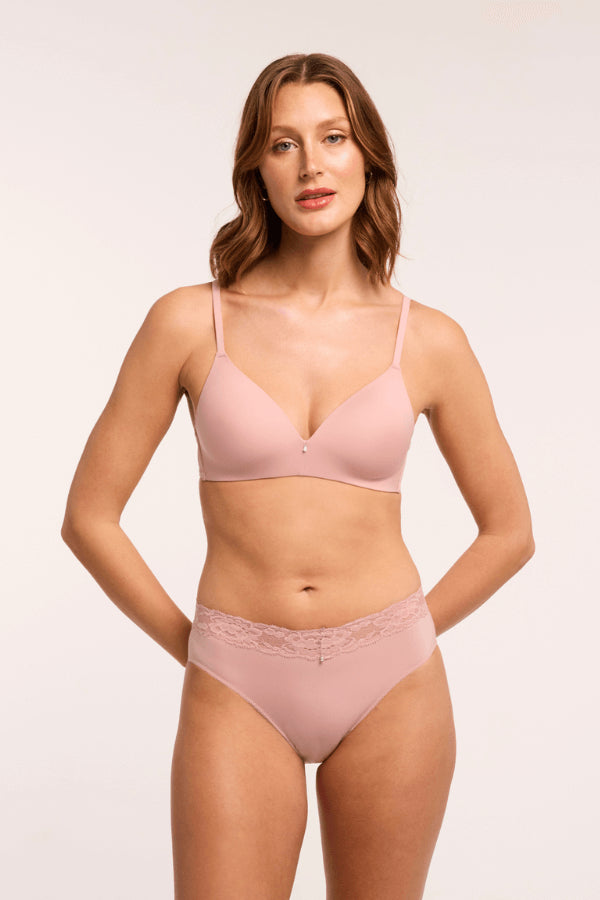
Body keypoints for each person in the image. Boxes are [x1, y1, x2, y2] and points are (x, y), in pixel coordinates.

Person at [61, 52, 535, 900]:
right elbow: (89, 516)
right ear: (257, 169)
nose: (312, 165)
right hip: (236, 682)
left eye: (333, 138)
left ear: (369, 157)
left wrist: (399, 634)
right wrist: (198, 646)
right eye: (284, 144)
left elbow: (511, 531)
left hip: (393, 688)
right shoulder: (189, 322)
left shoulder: (430, 340)